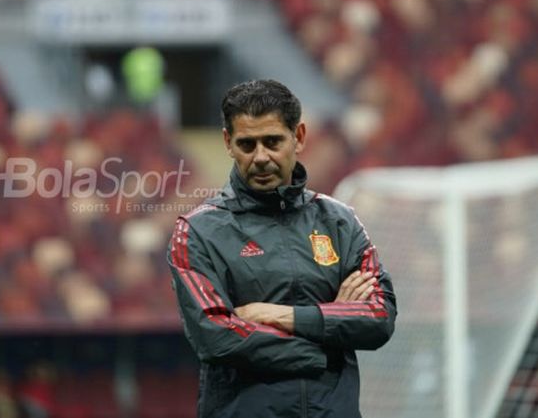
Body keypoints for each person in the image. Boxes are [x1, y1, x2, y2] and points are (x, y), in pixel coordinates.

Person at [167, 79, 397, 418]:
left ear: (299, 137)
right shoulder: (198, 232)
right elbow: (216, 337)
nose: (260, 157)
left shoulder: (339, 222)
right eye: (247, 144)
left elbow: (379, 317)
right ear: (228, 143)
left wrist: (280, 315)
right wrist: (325, 343)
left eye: (273, 141)